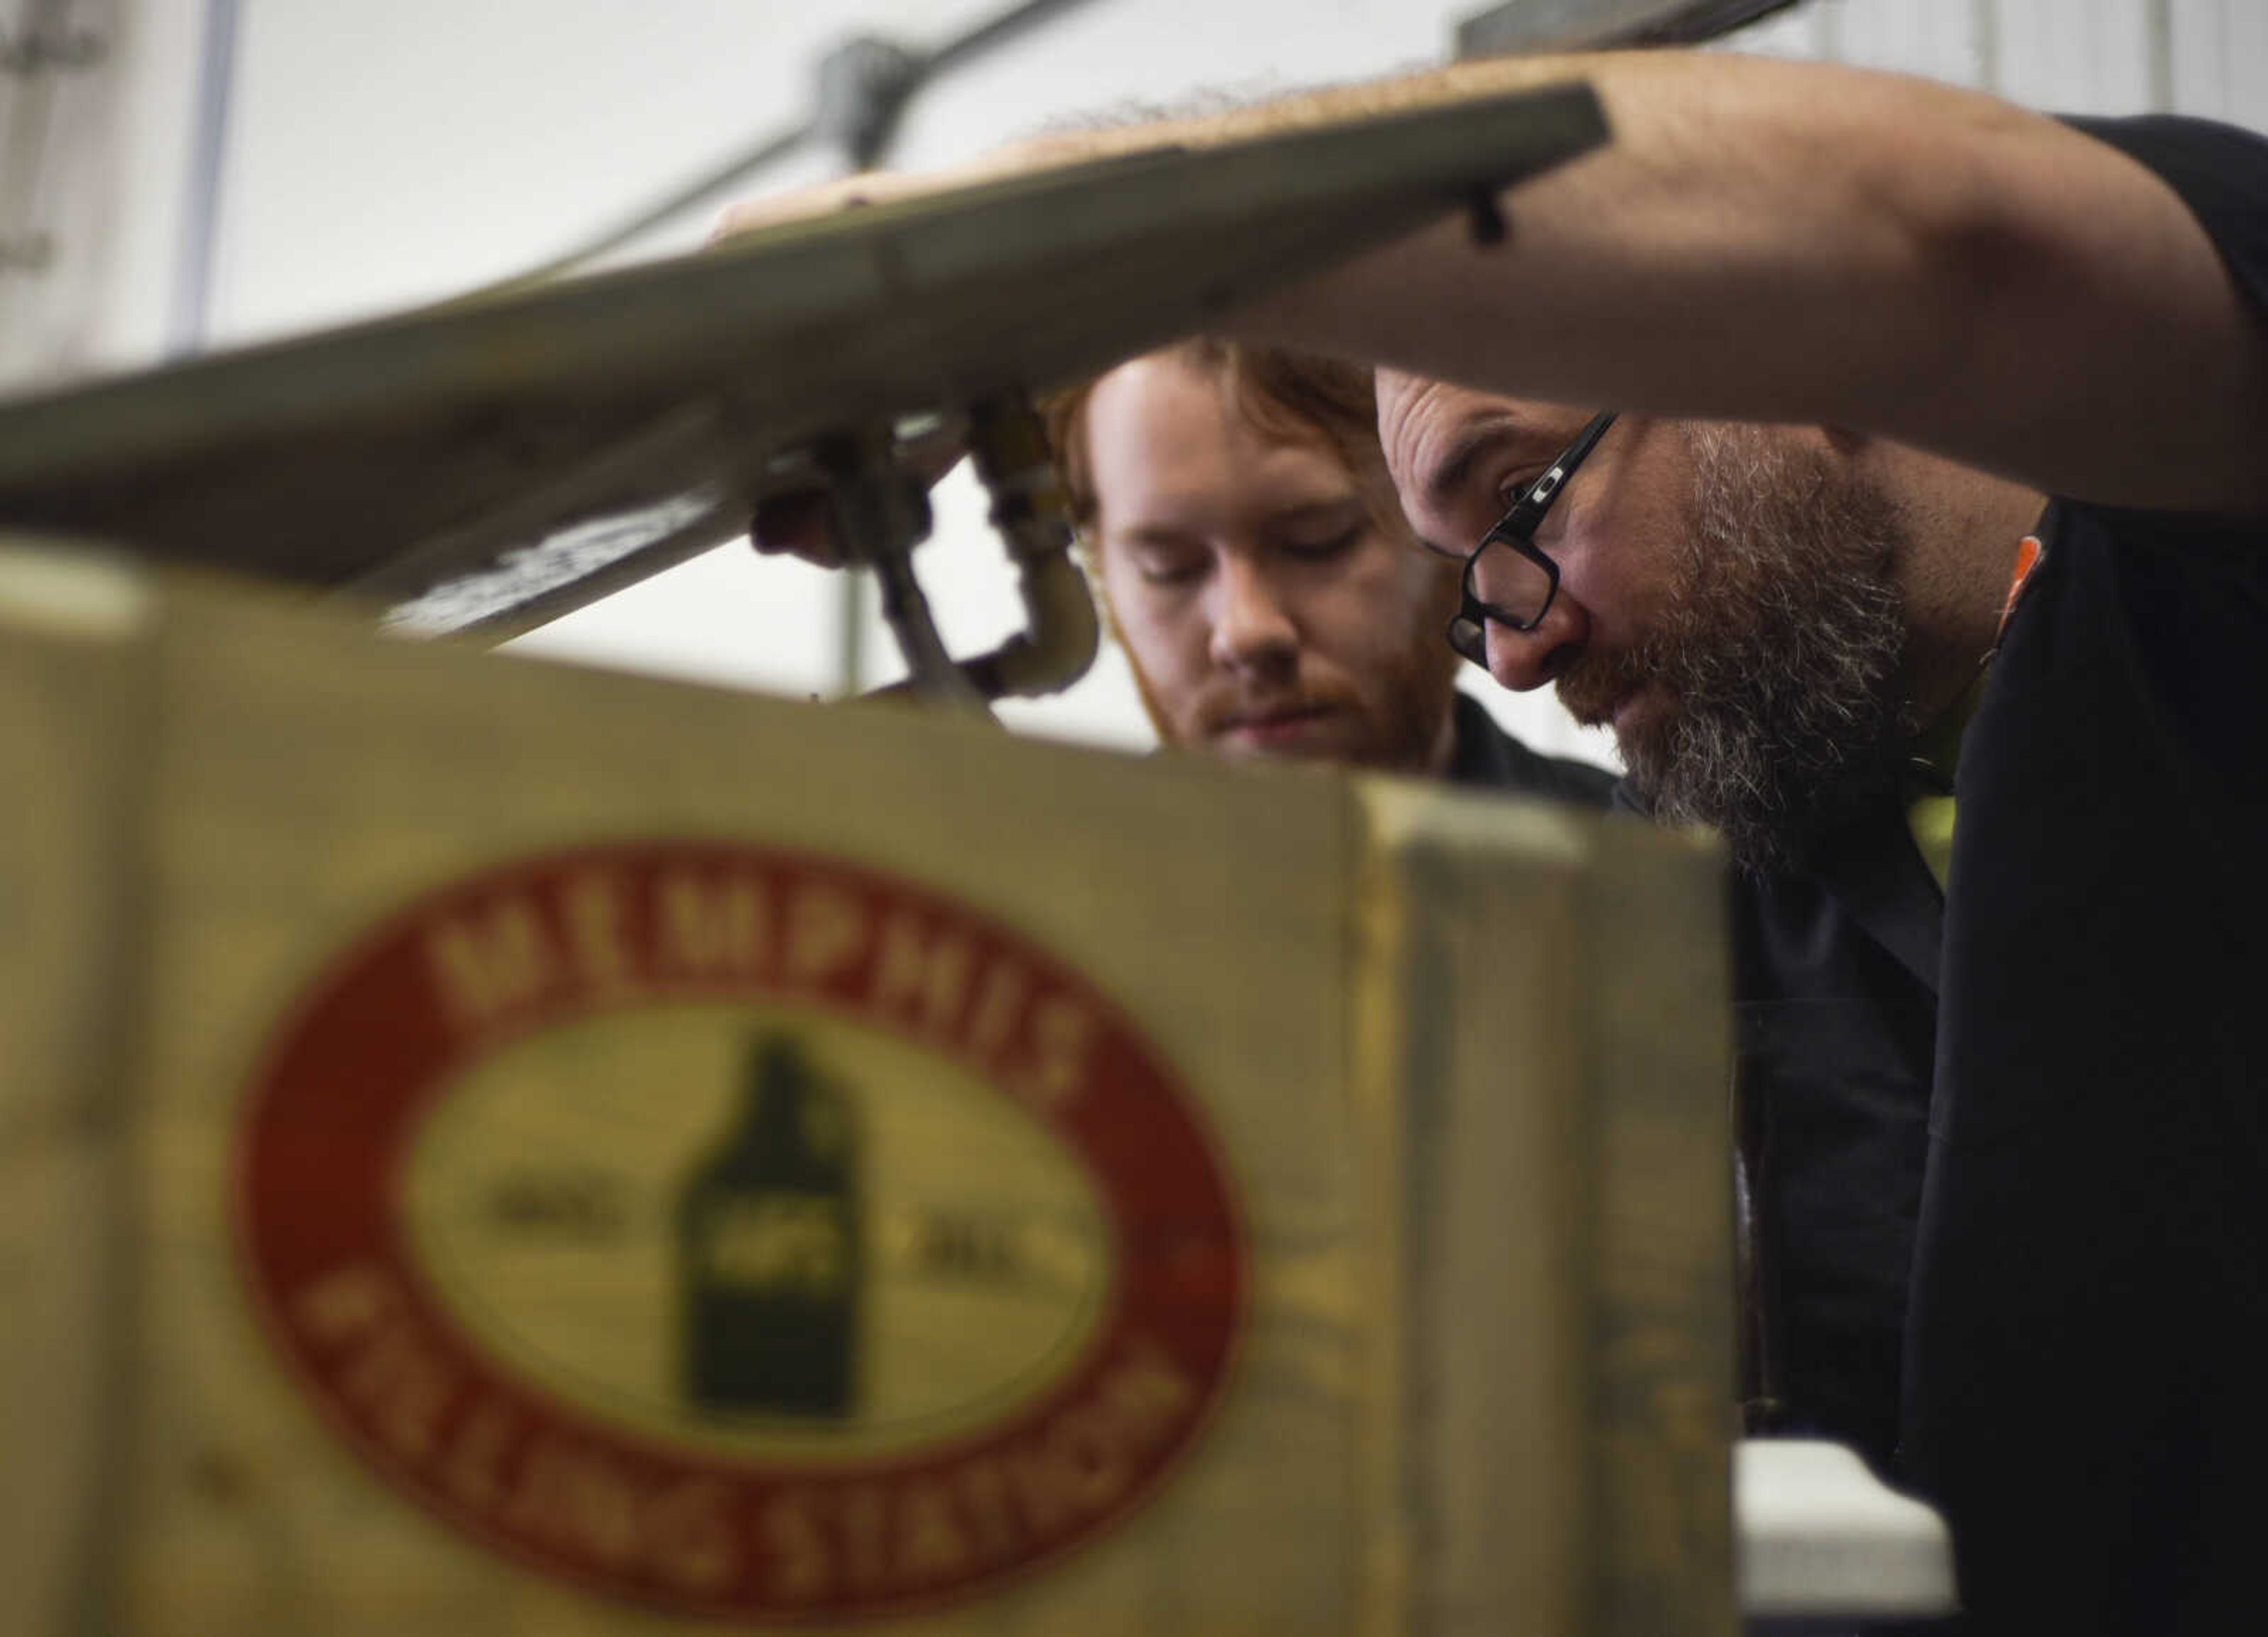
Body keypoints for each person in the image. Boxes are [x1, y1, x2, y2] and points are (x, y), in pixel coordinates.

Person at [725, 51, 2268, 1632]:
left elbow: (1942, 219)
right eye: (1166, 563)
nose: (1517, 652)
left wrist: (1018, 231)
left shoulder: (2187, 568)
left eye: (1516, 494)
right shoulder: (1875, 800)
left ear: (1790, 328)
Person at [1042, 338, 1613, 800]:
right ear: (1098, 569)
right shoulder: (1009, 910)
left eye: (1318, 543)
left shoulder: (1660, 884)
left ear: (1448, 541)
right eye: (1169, 567)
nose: (1246, 631)